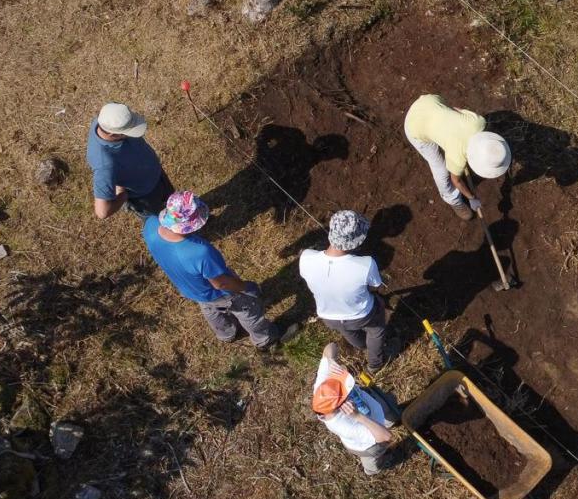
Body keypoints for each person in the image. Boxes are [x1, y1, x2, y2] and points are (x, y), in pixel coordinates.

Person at [142, 191, 295, 348]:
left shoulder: (150, 225)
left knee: (209, 308)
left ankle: (226, 333)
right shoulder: (200, 252)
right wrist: (246, 287)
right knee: (247, 310)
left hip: (192, 290)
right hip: (221, 293)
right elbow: (221, 284)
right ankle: (265, 339)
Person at [299, 210, 389, 370]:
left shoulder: (306, 257)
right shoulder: (366, 264)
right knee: (376, 331)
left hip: (329, 316)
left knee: (347, 330)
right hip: (362, 314)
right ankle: (375, 364)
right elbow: (375, 286)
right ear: (356, 243)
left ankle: (361, 345)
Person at [402, 94, 511, 220]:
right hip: (414, 125)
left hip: (430, 101)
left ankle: (440, 131)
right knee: (441, 170)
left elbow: (456, 110)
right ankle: (454, 200)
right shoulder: (458, 157)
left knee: (447, 131)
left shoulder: (478, 122)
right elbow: (456, 181)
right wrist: (472, 198)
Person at [311, 342, 398, 475]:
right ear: (340, 405)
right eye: (345, 392)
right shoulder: (345, 426)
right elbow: (386, 437)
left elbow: (330, 346)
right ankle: (372, 470)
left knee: (388, 414)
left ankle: (390, 420)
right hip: (368, 444)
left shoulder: (322, 388)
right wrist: (358, 416)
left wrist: (331, 360)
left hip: (372, 408)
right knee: (372, 458)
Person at [86, 102, 173, 220]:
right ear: (113, 134)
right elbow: (102, 212)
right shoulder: (105, 165)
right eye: (129, 131)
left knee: (174, 201)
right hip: (145, 195)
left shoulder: (103, 121)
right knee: (166, 219)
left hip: (156, 174)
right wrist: (123, 195)